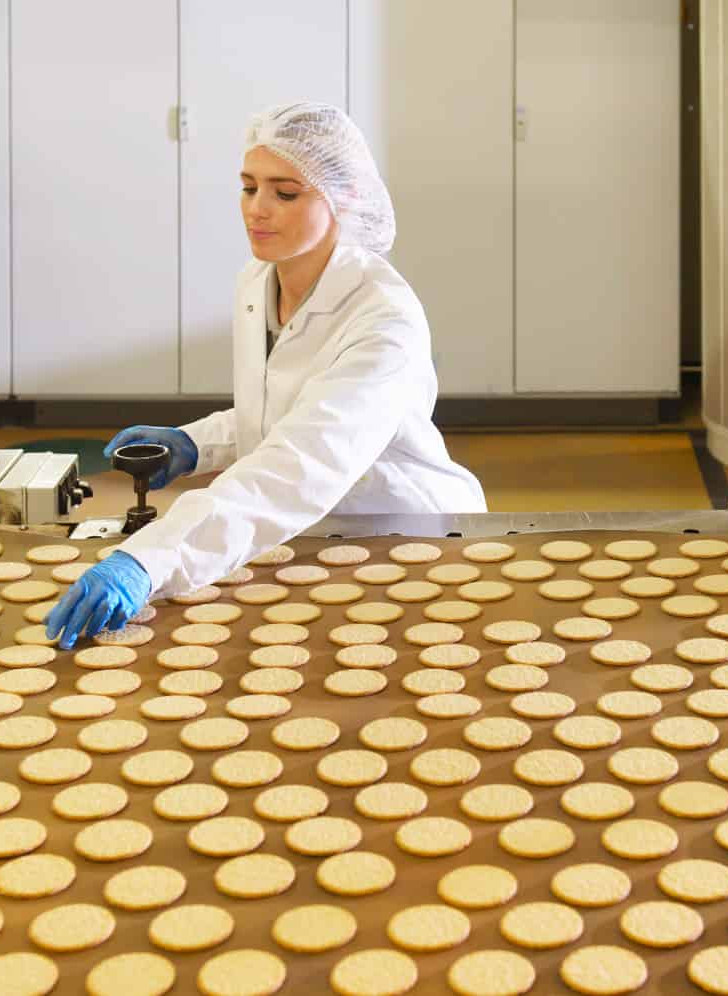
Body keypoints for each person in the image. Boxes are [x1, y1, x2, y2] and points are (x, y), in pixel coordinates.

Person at [47, 103, 486, 647]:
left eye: (285, 193)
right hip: (303, 531)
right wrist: (196, 443)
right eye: (248, 186)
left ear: (343, 198)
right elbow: (281, 406)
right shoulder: (259, 282)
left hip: (400, 538)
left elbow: (303, 462)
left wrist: (150, 559)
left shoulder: (383, 317)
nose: (258, 210)